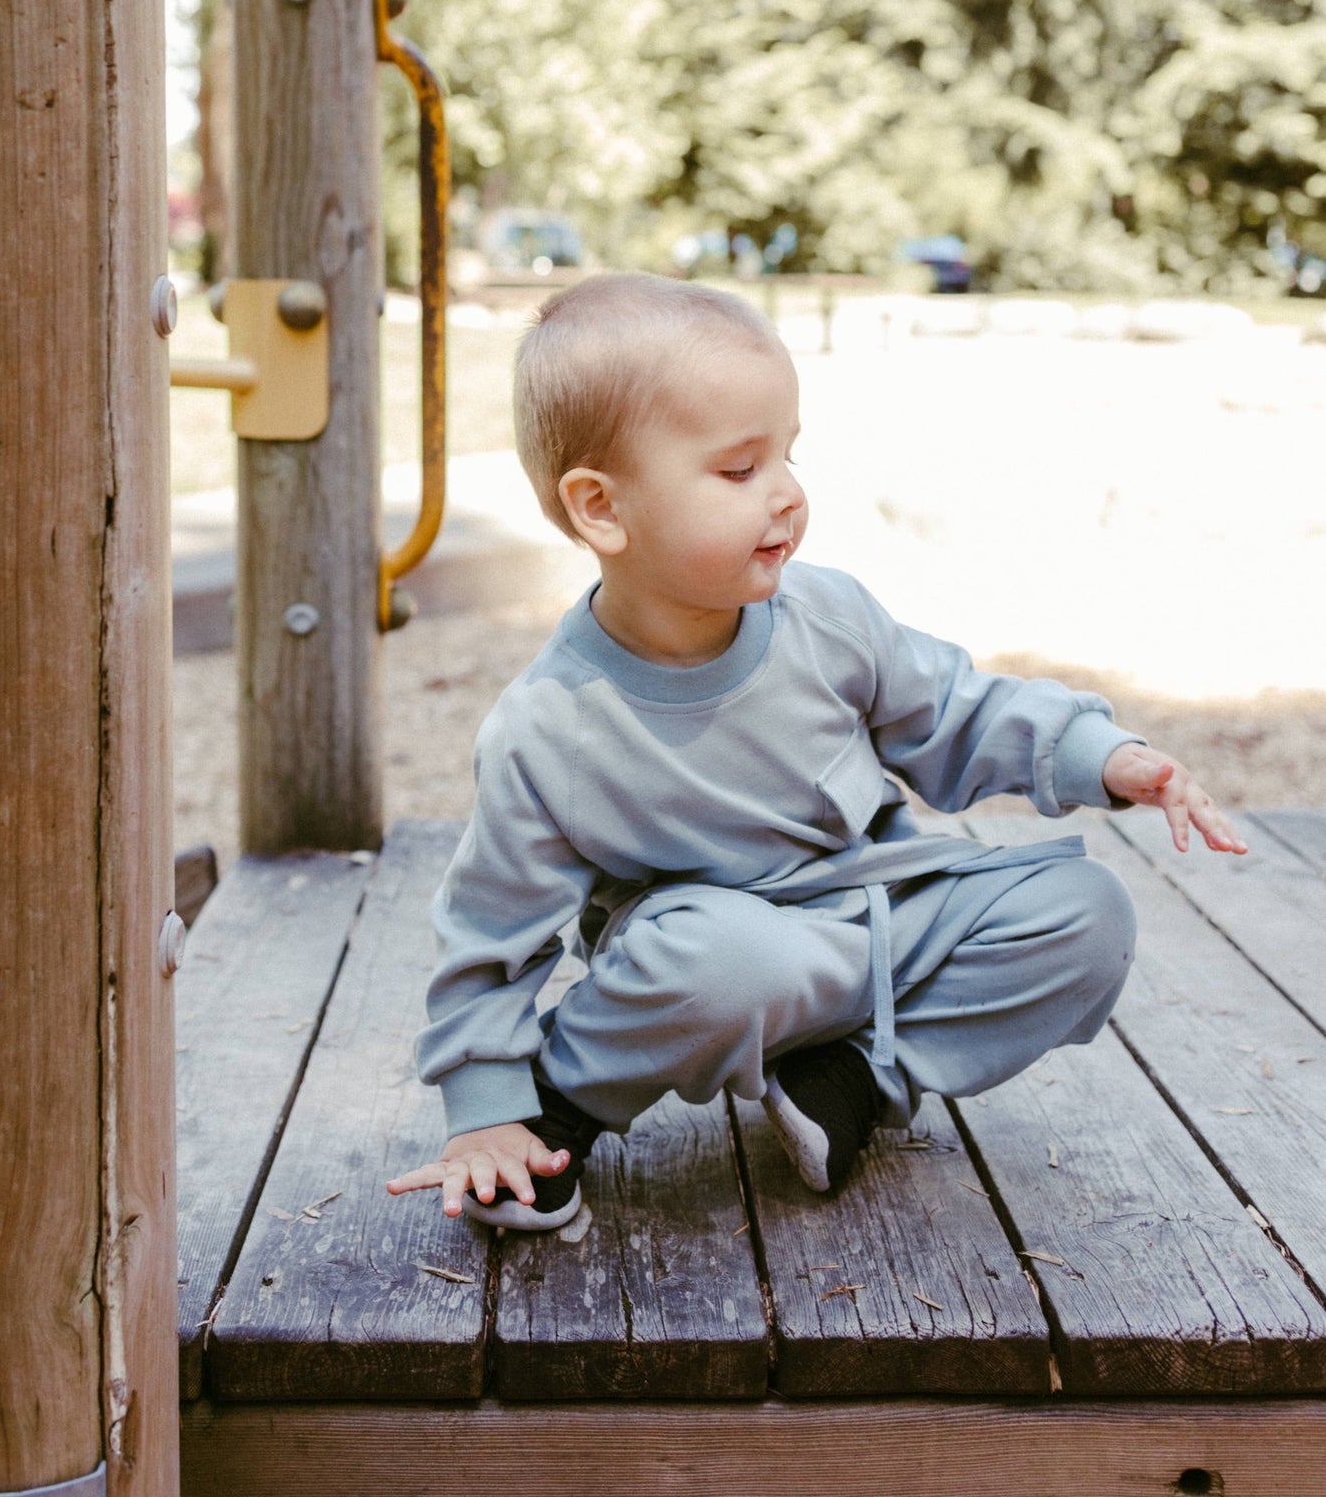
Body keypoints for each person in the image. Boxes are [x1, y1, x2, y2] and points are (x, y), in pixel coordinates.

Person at [387, 274, 1246, 1231]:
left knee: (1085, 914)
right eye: (738, 470)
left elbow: (954, 712)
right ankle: (555, 1115)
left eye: (788, 457)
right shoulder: (549, 728)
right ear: (600, 509)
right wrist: (484, 1105)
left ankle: (854, 1079)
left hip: (879, 912)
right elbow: (491, 930)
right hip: (721, 957)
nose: (789, 495)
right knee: (719, 960)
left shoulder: (828, 617)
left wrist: (1098, 754)